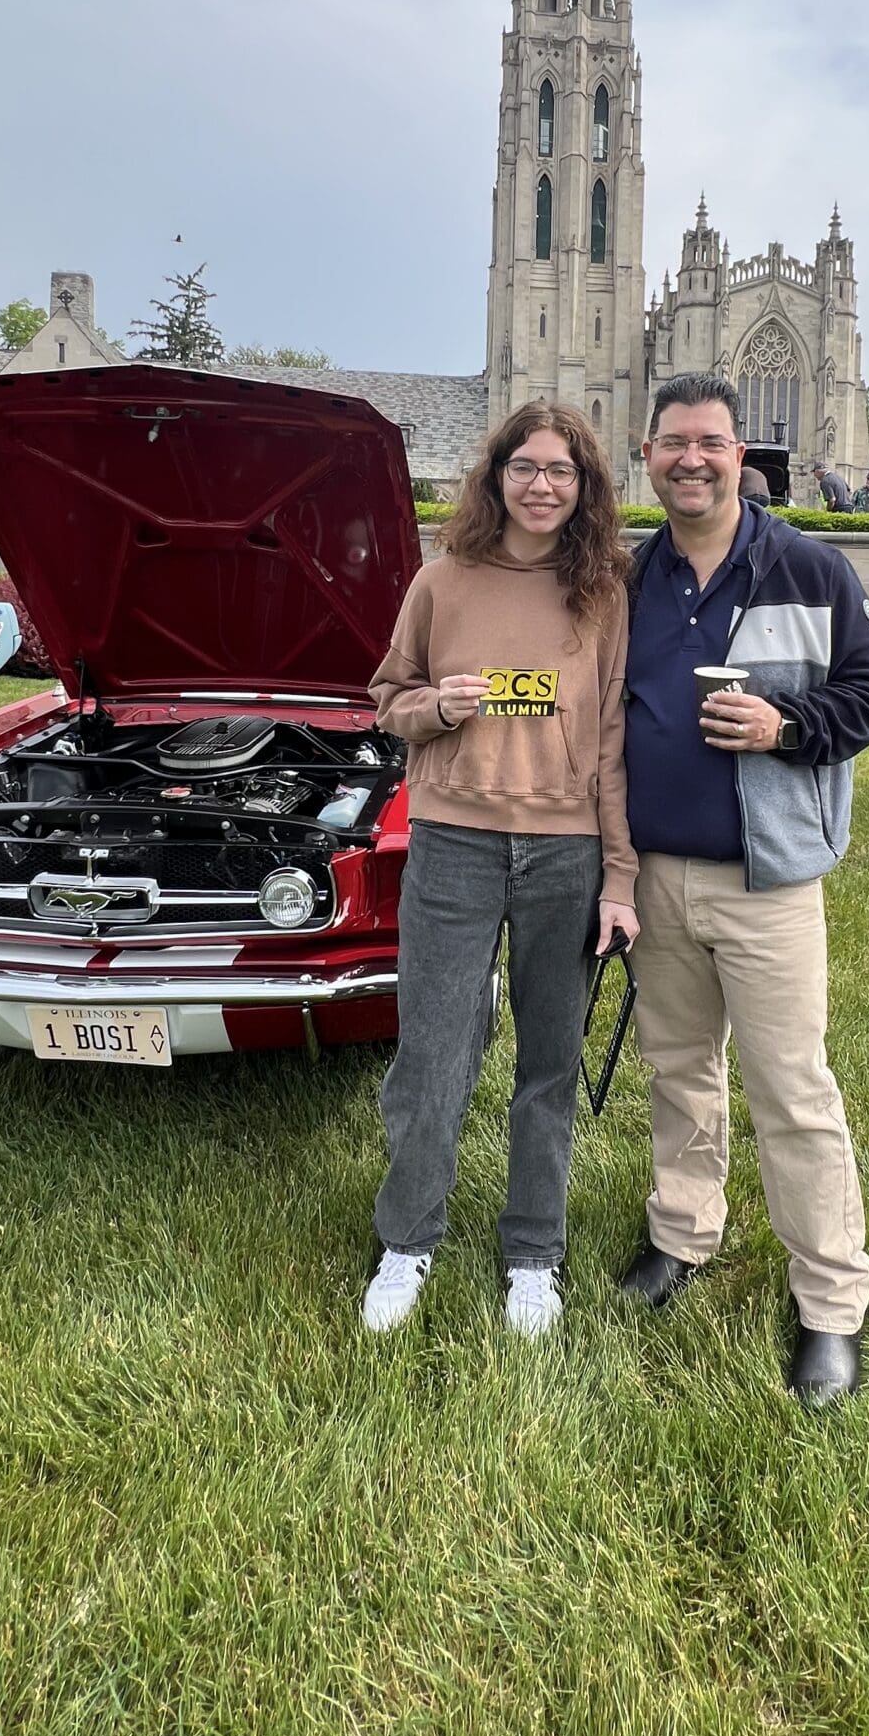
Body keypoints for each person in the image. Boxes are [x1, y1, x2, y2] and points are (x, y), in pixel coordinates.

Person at [617, 373, 869, 1406]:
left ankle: (830, 1305)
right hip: (653, 875)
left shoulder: (807, 567)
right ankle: (681, 1235)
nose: (691, 458)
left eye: (710, 442)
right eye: (673, 442)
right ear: (647, 455)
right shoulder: (630, 579)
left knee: (793, 1089)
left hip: (766, 882)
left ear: (744, 455)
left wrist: (785, 727)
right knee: (679, 1069)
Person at [363, 402, 638, 1340]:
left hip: (567, 851)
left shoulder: (603, 593)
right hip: (455, 844)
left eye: (563, 471)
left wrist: (621, 880)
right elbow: (385, 698)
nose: (542, 485)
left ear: (584, 487)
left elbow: (610, 743)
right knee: (433, 1053)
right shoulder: (440, 583)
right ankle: (407, 1240)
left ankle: (533, 1254)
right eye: (526, 466)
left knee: (548, 1065)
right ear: (496, 475)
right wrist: (436, 705)